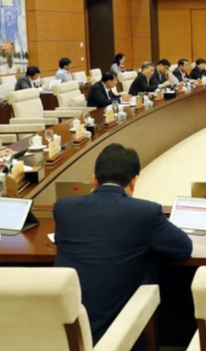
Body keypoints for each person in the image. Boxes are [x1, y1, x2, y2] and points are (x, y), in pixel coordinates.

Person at [54, 144, 192, 351]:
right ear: (134, 181)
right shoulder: (145, 212)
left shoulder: (63, 208)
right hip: (116, 337)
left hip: (64, 336)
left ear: (94, 179)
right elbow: (183, 248)